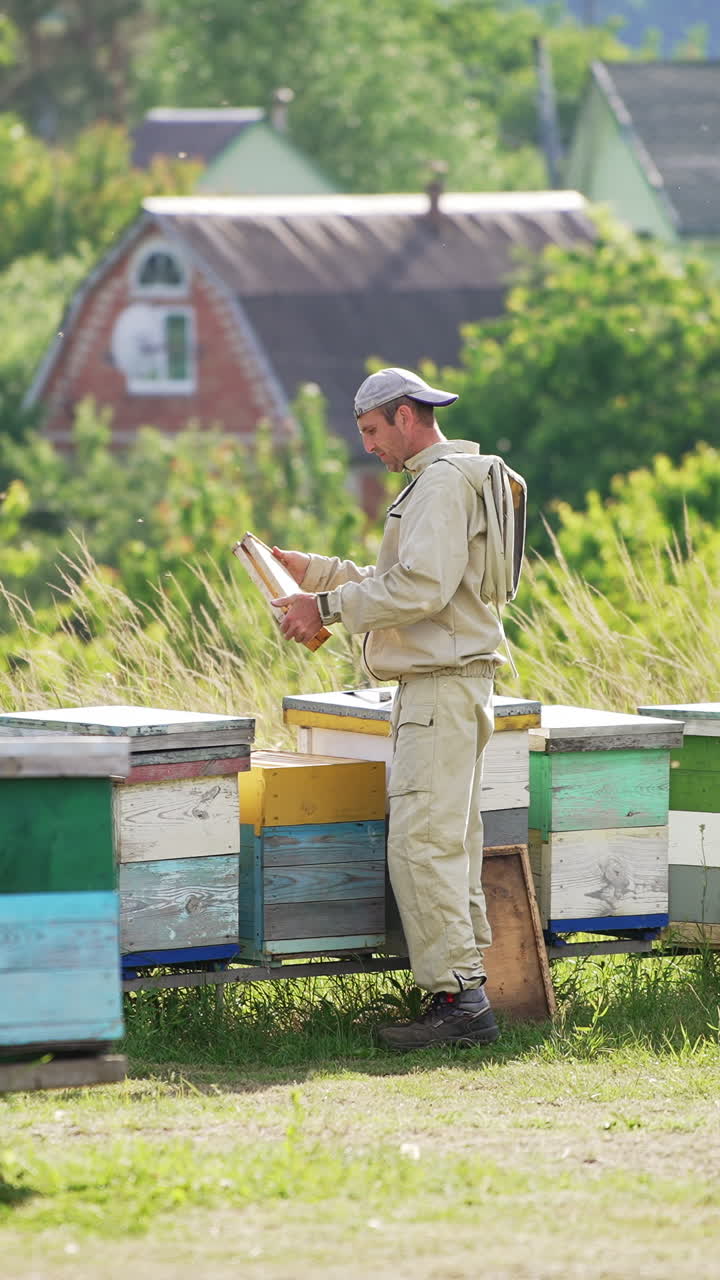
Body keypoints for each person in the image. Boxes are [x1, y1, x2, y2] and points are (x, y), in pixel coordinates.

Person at [271, 366, 525, 1051]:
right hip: (453, 684)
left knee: (422, 846)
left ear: (407, 415)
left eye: (374, 431)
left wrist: (323, 608)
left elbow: (420, 590)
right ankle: (466, 995)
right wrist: (319, 574)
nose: (371, 448)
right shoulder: (453, 479)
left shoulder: (440, 484)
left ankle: (460, 1006)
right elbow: (408, 583)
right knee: (449, 842)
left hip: (440, 687)